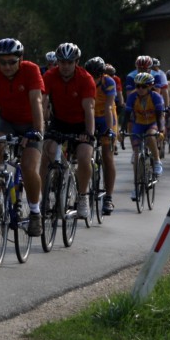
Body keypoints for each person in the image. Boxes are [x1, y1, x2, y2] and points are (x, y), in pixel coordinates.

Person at [0, 38, 45, 236]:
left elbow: (36, 100)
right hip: (8, 121)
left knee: (29, 167)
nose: (7, 66)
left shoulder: (31, 70)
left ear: (20, 59)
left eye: (12, 62)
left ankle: (36, 212)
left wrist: (37, 130)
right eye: (3, 62)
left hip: (30, 123)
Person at [40, 43, 96, 219]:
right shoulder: (50, 75)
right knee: (46, 151)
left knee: (84, 156)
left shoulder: (85, 79)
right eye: (61, 62)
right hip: (59, 121)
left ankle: (82, 196)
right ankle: (44, 198)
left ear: (76, 62)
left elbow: (89, 109)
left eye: (69, 62)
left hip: (80, 123)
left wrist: (88, 133)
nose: (65, 66)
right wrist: (39, 126)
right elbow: (42, 102)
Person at [122, 71, 165, 201]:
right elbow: (126, 116)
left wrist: (161, 130)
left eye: (143, 86)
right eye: (138, 86)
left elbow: (160, 116)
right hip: (139, 124)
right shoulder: (132, 97)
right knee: (136, 156)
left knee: (151, 136)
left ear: (150, 86)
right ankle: (136, 187)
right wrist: (122, 130)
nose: (140, 89)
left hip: (152, 123)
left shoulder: (156, 97)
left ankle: (157, 161)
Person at [85, 56, 119, 215]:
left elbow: (108, 107)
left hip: (106, 117)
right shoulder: (84, 81)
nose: (93, 78)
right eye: (90, 74)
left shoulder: (108, 82)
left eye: (96, 75)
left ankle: (109, 198)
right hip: (90, 116)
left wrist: (109, 130)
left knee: (107, 155)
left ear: (102, 74)